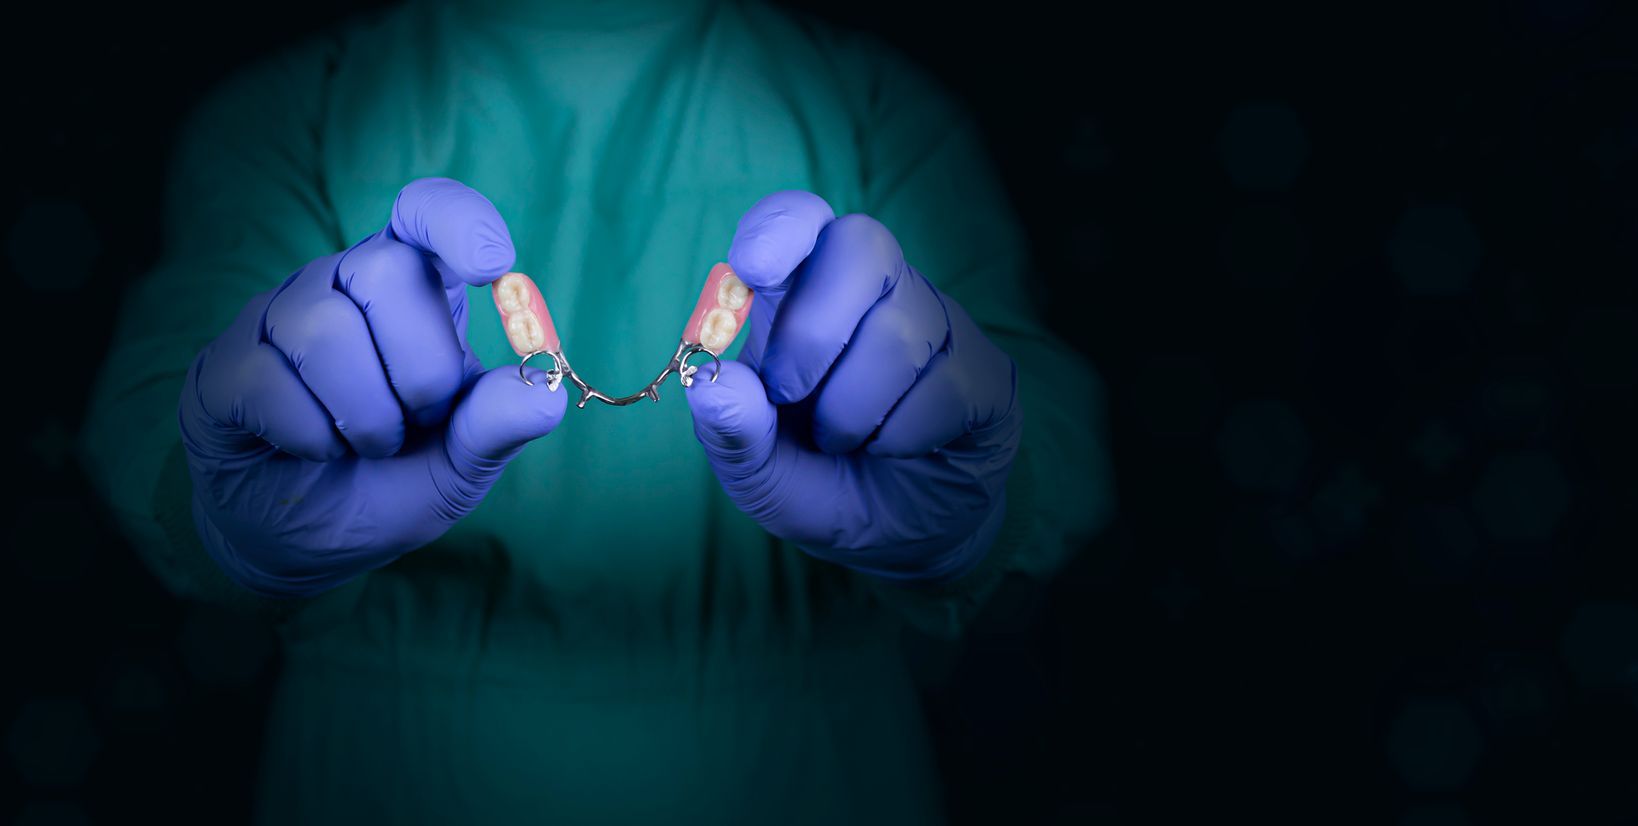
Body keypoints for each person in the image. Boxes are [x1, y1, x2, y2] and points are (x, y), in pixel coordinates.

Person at [78, 0, 1111, 821]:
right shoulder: (297, 115)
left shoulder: (882, 111)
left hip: (801, 770)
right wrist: (218, 499)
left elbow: (1054, 429)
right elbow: (150, 420)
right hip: (391, 777)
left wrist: (977, 496)